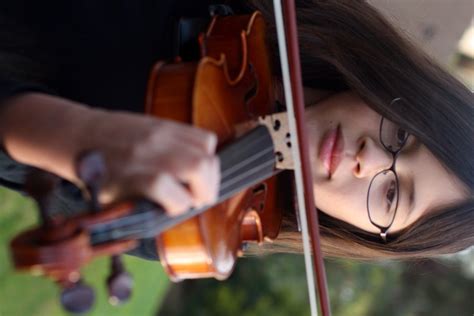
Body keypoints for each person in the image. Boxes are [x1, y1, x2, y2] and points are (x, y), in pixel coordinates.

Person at [0, 0, 472, 263]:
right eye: (401, 138)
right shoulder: (257, 10)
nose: (369, 160)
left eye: (391, 195)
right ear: (398, 88)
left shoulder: (188, 220)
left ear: (369, 233)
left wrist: (74, 136)